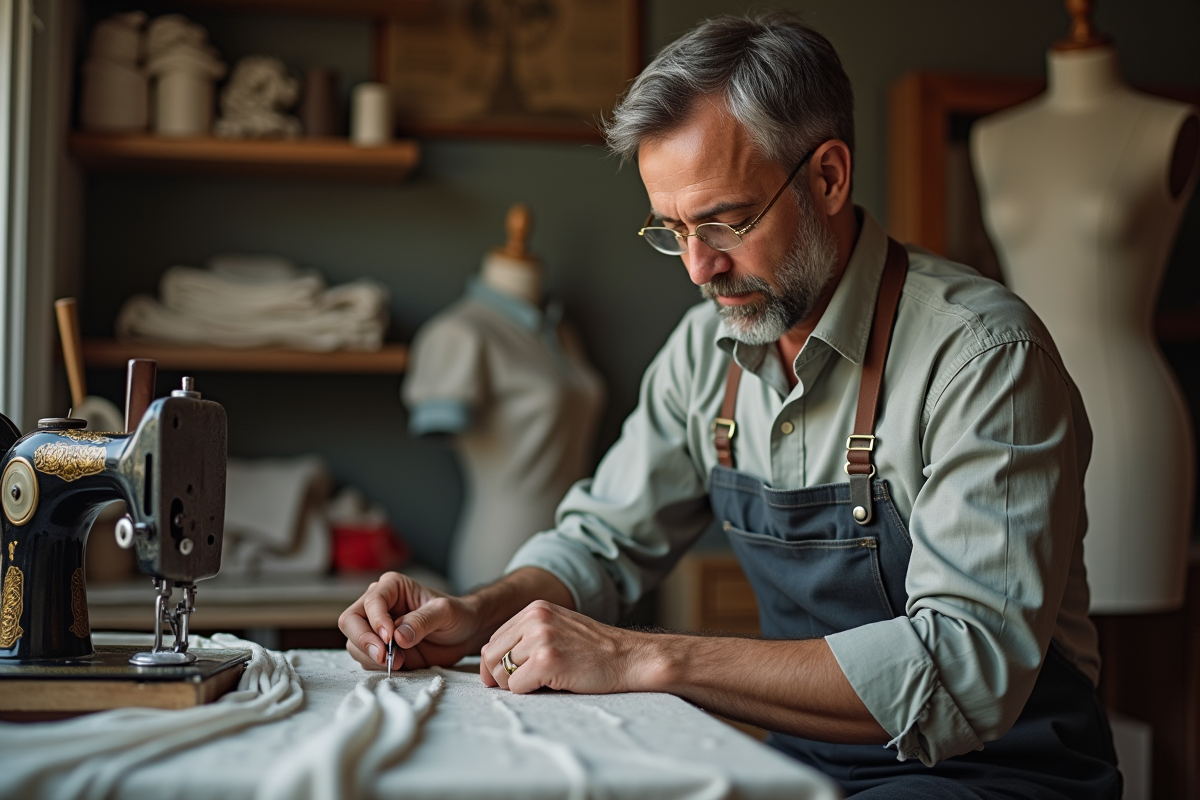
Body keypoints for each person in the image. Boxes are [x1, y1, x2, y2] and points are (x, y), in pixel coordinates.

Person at [340, 11, 1120, 798]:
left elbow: (965, 670)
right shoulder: (701, 351)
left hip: (998, 773)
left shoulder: (984, 358)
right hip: (807, 768)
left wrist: (643, 657)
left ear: (828, 177)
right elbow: (602, 544)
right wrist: (474, 613)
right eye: (671, 229)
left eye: (725, 222)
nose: (697, 267)